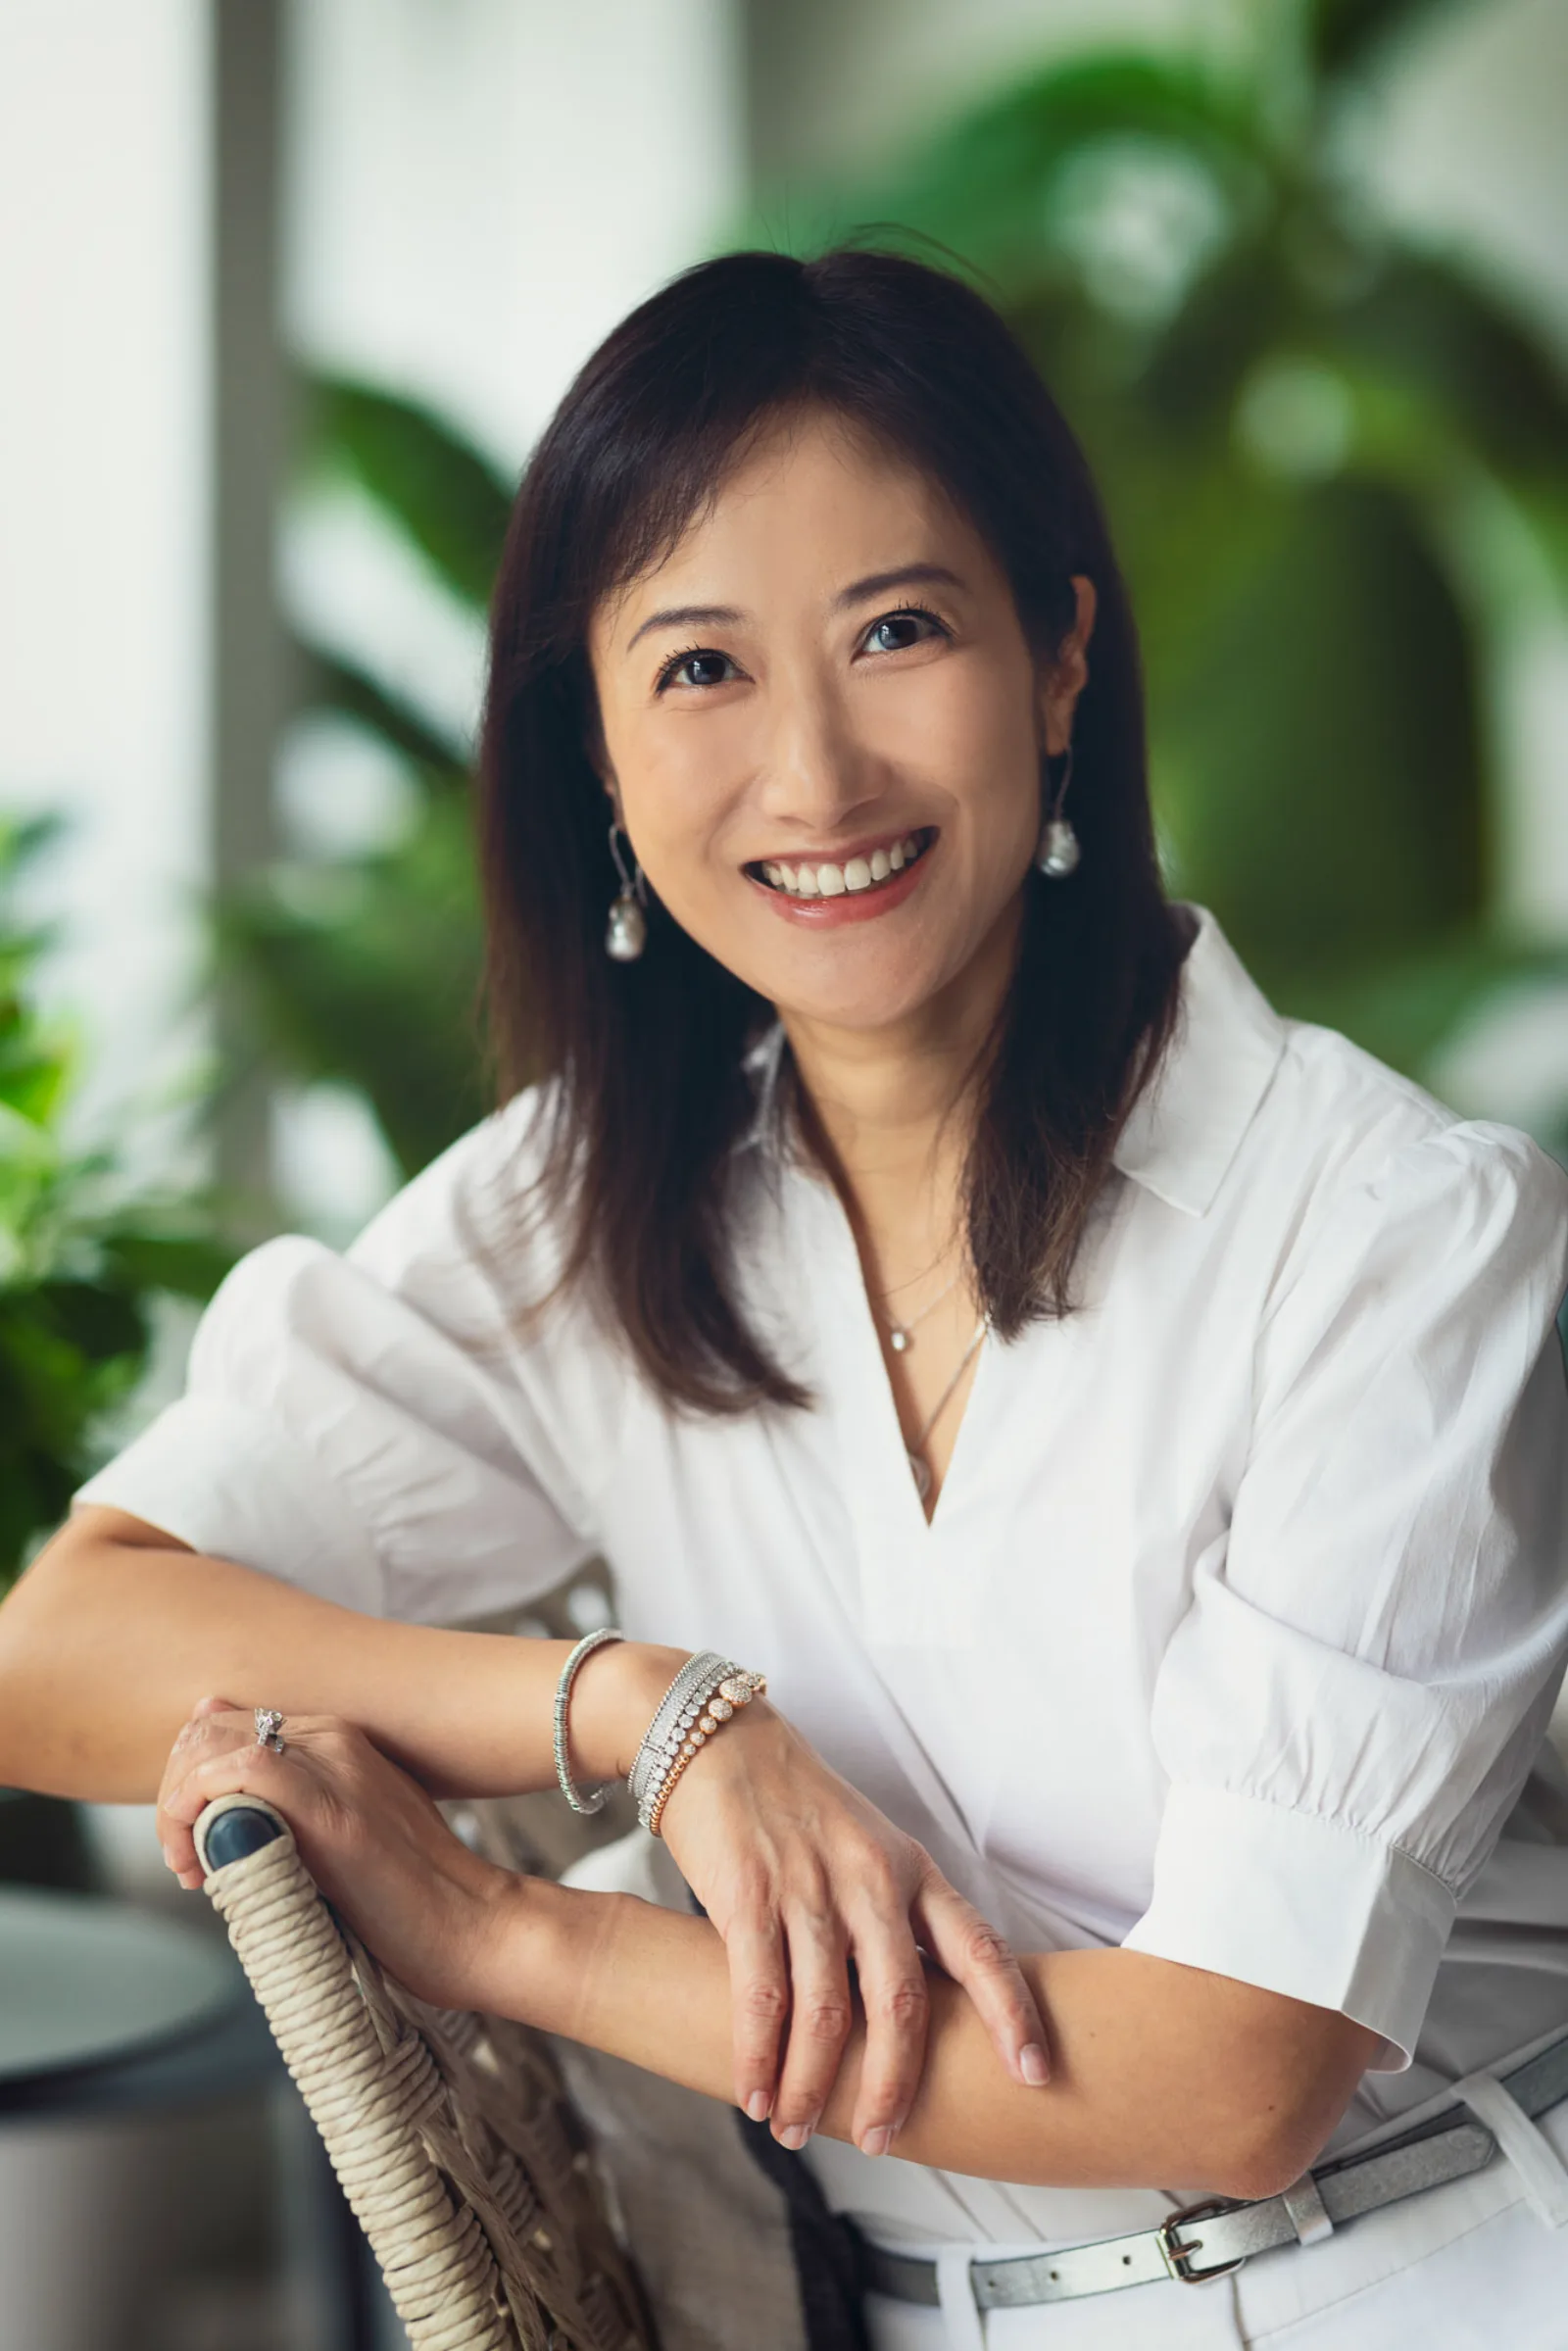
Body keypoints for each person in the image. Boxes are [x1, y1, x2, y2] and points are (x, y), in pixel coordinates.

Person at [2, 246, 1567, 2350]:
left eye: (895, 631)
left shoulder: (1397, 1231)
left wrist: (510, 1935)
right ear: (599, 757)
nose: (813, 777)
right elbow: (61, 1645)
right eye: (700, 668)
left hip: (1440, 2275)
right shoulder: (591, 1208)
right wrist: (642, 1712)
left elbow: (1231, 2068)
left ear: (1059, 663)